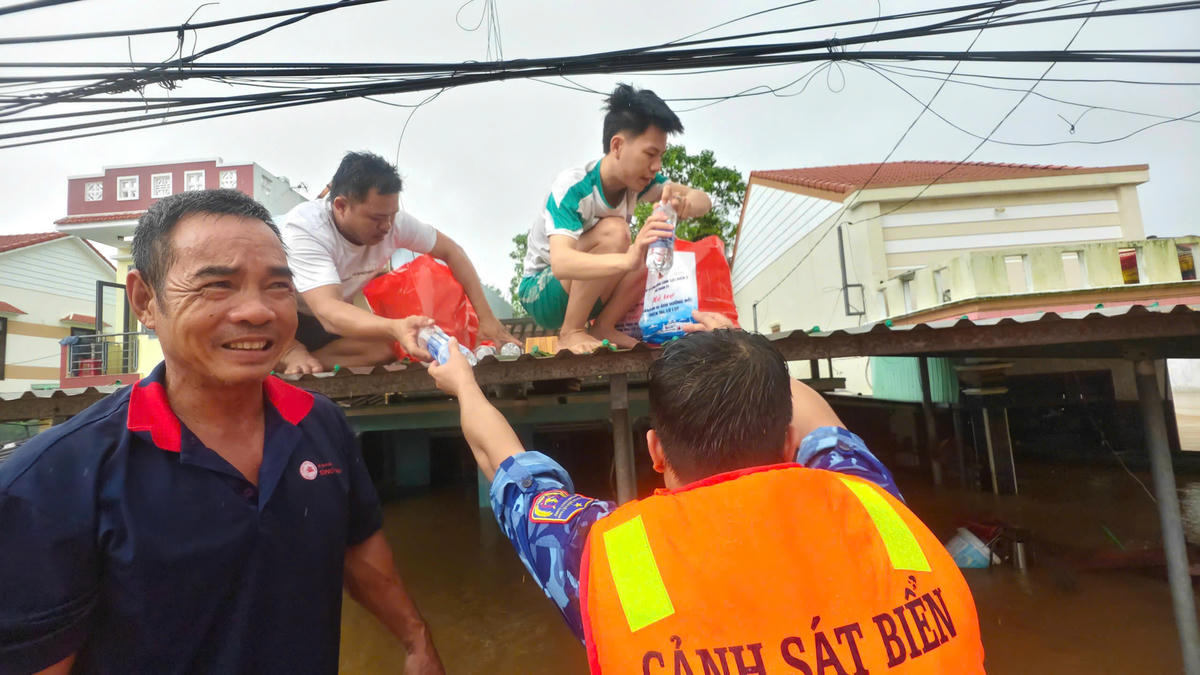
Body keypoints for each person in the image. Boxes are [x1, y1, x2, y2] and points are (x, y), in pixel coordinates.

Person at [0, 190, 443, 674]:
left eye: (277, 286)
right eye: (217, 286)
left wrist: (416, 640)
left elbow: (358, 546)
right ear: (146, 300)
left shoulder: (321, 425)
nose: (257, 311)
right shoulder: (49, 483)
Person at [428, 330, 985, 674]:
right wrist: (741, 350)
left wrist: (464, 385)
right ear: (789, 442)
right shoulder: (870, 502)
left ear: (655, 450)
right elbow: (820, 421)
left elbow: (502, 460)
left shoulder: (609, 555)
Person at [278, 151, 517, 373]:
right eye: (377, 218)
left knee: (383, 350)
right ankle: (285, 351)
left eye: (392, 215)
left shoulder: (393, 223)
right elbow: (329, 312)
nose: (388, 226)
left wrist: (487, 319)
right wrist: (396, 327)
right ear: (341, 206)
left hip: (326, 324)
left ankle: (304, 360)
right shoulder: (307, 229)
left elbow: (452, 252)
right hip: (280, 319)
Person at [517, 83, 714, 354]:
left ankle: (603, 327)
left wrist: (686, 201)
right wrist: (628, 258)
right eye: (650, 154)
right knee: (616, 232)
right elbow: (561, 263)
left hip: (589, 290)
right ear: (618, 146)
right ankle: (571, 331)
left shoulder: (640, 182)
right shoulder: (575, 187)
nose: (656, 166)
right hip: (542, 291)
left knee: (653, 248)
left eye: (660, 156)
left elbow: (705, 201)